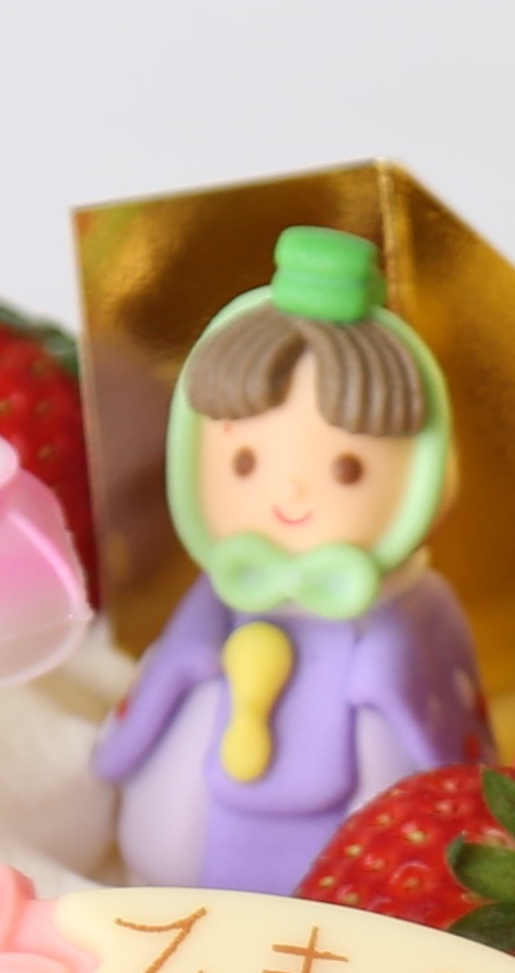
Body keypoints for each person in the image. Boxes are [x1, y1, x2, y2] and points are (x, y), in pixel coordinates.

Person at [98, 228, 486, 894]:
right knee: (168, 839)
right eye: (245, 462)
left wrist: (387, 674)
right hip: (205, 791)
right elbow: (176, 660)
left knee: (381, 858)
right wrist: (158, 704)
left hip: (365, 804)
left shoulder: (413, 605)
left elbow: (445, 694)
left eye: (347, 469)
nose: (291, 494)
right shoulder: (221, 593)